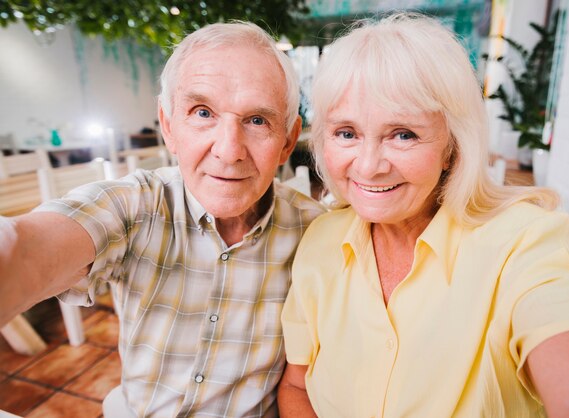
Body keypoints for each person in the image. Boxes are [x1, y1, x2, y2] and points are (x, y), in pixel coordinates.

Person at [278, 13, 569, 418]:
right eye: (347, 133)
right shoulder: (320, 239)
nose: (369, 166)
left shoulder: (522, 241)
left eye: (403, 134)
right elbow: (297, 384)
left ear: (452, 147)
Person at [0, 21, 325, 417]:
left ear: (288, 141)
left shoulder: (316, 232)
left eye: (257, 120)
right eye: (202, 112)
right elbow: (26, 249)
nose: (228, 150)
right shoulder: (137, 204)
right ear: (169, 126)